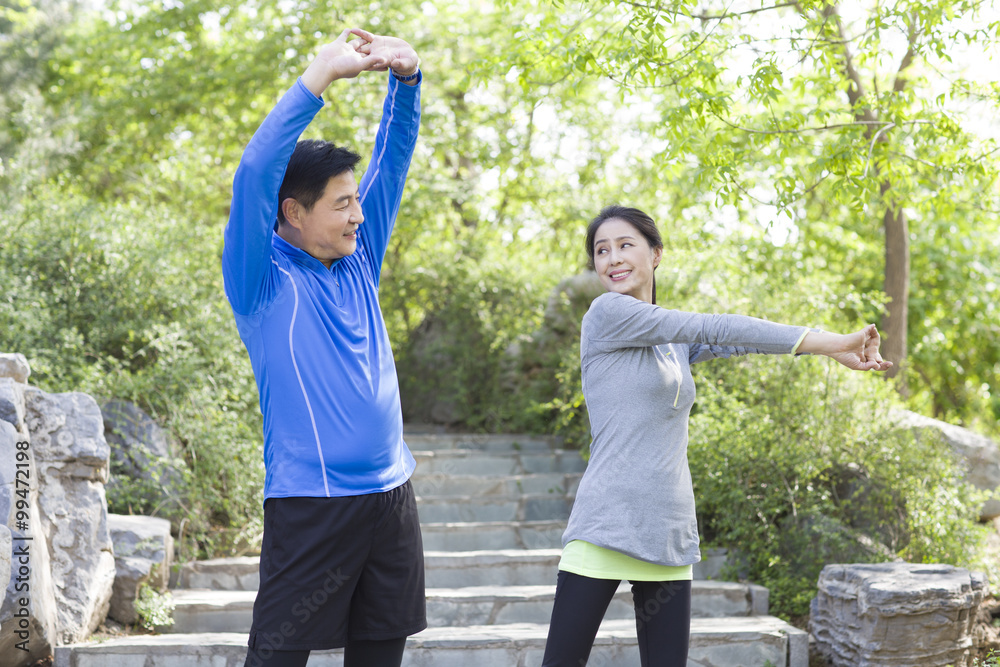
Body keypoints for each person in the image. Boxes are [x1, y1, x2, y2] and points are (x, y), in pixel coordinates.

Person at [541, 205, 892, 667]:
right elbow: (715, 325)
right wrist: (836, 340)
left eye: (625, 245)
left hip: (666, 529)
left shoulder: (670, 341)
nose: (612, 258)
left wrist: (831, 352)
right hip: (607, 523)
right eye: (601, 251)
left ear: (656, 254)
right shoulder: (607, 314)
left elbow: (740, 339)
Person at [221, 27, 425, 667]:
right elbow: (254, 171)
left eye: (355, 201)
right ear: (293, 213)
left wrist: (407, 79)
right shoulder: (261, 279)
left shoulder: (359, 255)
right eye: (341, 204)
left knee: (380, 657)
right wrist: (322, 75)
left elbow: (393, 159)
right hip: (312, 506)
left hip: (392, 499)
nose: (357, 215)